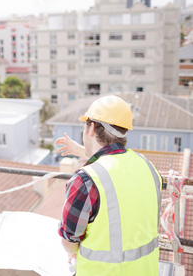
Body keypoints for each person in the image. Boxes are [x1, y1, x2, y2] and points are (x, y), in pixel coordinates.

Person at [55, 95, 162, 275]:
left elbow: (69, 241)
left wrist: (72, 253)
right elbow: (115, 166)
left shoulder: (85, 180)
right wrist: (83, 151)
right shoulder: (148, 167)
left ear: (92, 128)